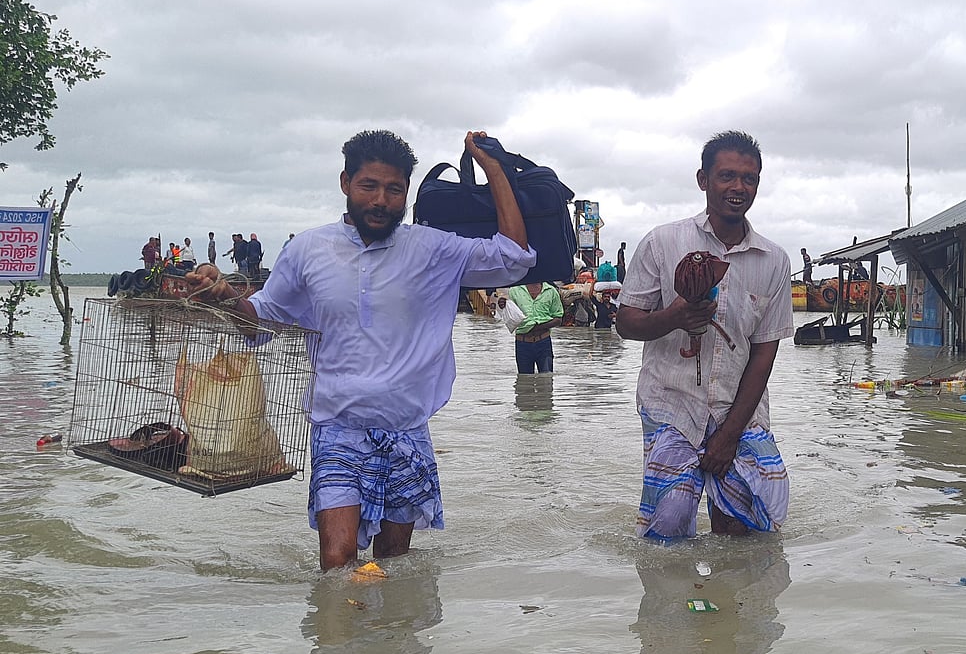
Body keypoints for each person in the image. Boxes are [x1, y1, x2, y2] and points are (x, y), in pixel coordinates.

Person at [184, 129, 533, 571]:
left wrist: (494, 169)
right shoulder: (307, 249)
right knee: (337, 562)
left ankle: (385, 640)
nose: (381, 200)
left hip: (406, 428)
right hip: (337, 426)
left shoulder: (432, 248)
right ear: (346, 182)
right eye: (369, 186)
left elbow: (514, 257)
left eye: (394, 189)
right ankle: (341, 637)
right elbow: (263, 320)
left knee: (393, 564)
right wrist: (224, 296)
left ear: (406, 193)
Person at [616, 130, 792, 541]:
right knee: (670, 525)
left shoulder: (773, 260)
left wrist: (729, 435)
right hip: (671, 404)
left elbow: (764, 355)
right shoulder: (663, 242)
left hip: (739, 409)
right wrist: (675, 316)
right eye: (727, 176)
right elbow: (625, 323)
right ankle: (675, 601)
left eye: (749, 179)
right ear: (703, 180)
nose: (738, 187)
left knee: (749, 526)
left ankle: (731, 604)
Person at [505, 281, 564, 373]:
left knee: (546, 380)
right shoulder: (515, 290)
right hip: (522, 344)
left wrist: (537, 327)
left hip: (543, 343)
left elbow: (558, 318)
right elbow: (509, 314)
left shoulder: (551, 291)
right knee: (524, 381)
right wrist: (502, 305)